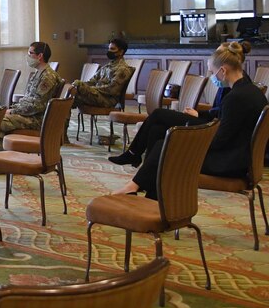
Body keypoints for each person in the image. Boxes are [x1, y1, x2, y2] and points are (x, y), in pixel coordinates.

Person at [111, 42, 265, 199]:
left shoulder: (235, 98)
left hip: (227, 163)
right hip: (238, 158)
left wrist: (186, 138)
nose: (212, 76)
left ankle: (137, 187)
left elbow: (219, 140)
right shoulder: (252, 91)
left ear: (223, 71)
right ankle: (148, 193)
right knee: (160, 135)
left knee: (165, 145)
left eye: (212, 72)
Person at [0, 42, 63, 148]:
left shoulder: (47, 77)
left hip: (37, 120)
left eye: (30, 53)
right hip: (30, 115)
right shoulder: (39, 73)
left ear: (40, 56)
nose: (28, 56)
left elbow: (37, 105)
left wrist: (13, 111)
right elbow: (28, 100)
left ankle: (2, 158)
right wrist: (13, 109)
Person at [72, 37, 134, 110]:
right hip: (97, 95)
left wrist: (89, 89)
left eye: (113, 49)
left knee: (75, 91)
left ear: (121, 52)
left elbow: (111, 89)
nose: (109, 51)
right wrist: (81, 87)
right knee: (70, 95)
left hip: (107, 100)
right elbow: (92, 81)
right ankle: (61, 118)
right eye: (109, 48)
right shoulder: (106, 67)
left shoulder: (123, 69)